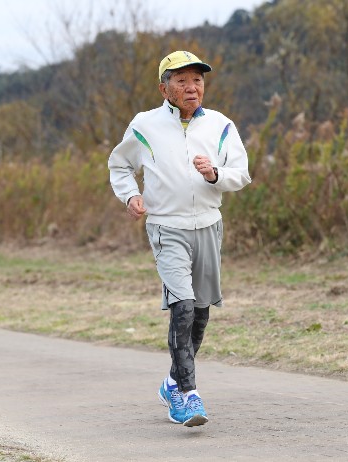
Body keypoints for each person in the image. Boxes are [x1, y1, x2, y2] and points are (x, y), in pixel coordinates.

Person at [108, 50, 251, 427]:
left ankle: (172, 380)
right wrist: (130, 195)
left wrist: (215, 174)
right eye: (182, 80)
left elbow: (242, 173)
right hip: (166, 226)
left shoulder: (221, 125)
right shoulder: (145, 125)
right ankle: (187, 396)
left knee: (200, 312)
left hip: (207, 225)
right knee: (183, 306)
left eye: (198, 80)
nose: (192, 87)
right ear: (164, 88)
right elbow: (120, 165)